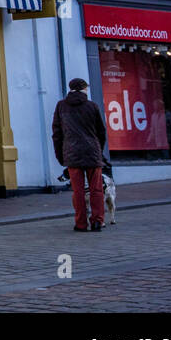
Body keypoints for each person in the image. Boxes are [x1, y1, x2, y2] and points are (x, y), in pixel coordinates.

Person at [51, 77, 109, 232]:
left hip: (72, 153)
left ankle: (81, 223)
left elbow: (57, 134)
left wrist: (61, 156)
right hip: (92, 153)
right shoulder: (92, 106)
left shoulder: (61, 106)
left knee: (78, 191)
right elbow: (101, 132)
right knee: (96, 189)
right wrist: (99, 150)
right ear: (84, 89)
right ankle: (97, 221)